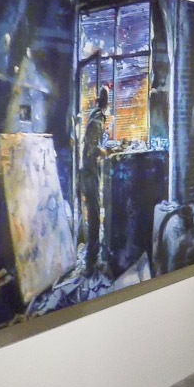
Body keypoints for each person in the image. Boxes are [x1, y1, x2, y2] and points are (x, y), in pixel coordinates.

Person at [79, 86, 110, 268]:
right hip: (90, 175)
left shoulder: (94, 116)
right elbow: (92, 148)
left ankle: (92, 257)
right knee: (94, 215)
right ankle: (91, 261)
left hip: (89, 173)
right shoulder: (97, 120)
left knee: (94, 214)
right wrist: (105, 151)